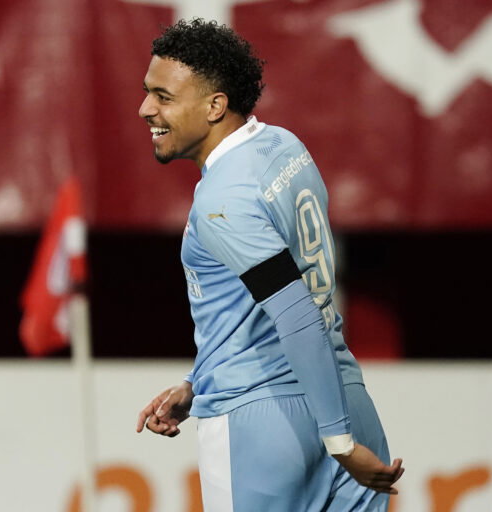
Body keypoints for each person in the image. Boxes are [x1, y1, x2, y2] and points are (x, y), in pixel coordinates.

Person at [134, 19, 404, 512]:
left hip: (265, 428)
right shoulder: (284, 146)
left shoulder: (221, 201)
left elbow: (294, 312)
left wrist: (338, 442)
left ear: (216, 105)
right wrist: (200, 381)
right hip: (343, 393)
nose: (146, 108)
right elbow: (268, 298)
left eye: (163, 96)